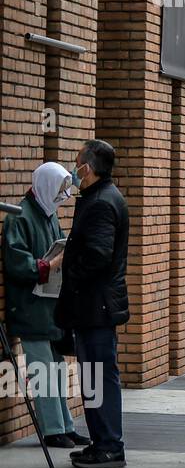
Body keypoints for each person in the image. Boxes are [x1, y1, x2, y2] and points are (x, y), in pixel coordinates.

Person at [2, 163, 89, 448]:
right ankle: (53, 430)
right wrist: (48, 265)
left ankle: (64, 425)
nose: (62, 195)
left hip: (48, 306)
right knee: (42, 370)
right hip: (30, 307)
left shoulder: (46, 213)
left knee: (57, 368)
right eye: (60, 189)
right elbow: (17, 262)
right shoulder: (20, 217)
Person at [55, 140, 129, 468]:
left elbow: (98, 255)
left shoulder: (100, 202)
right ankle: (102, 442)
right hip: (95, 305)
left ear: (90, 167)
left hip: (94, 306)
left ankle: (109, 445)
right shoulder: (100, 197)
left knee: (99, 377)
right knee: (96, 378)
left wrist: (71, 273)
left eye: (77, 163)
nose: (74, 169)